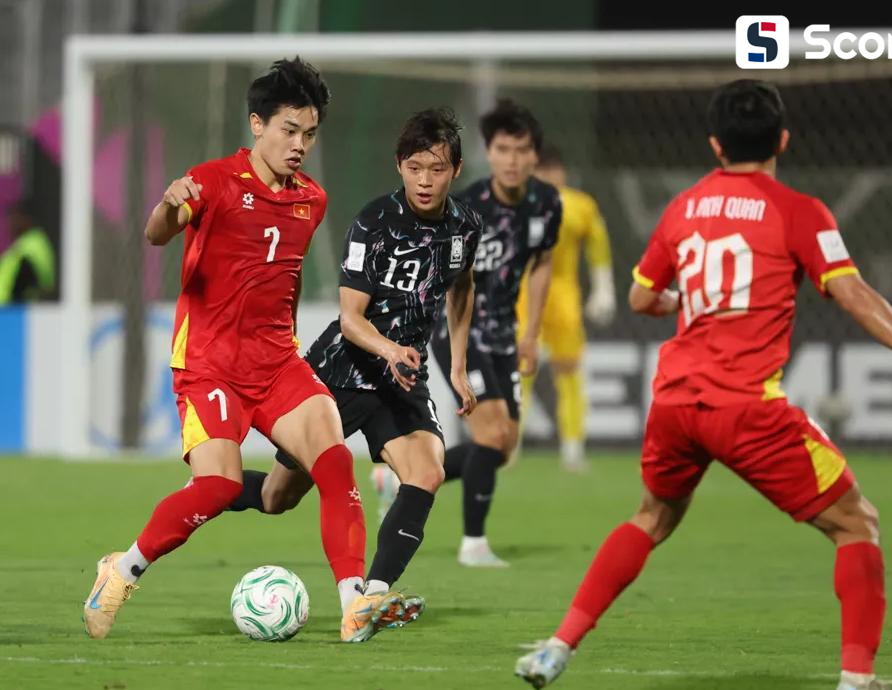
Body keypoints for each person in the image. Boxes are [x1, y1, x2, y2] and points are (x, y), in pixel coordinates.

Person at [515, 79, 892, 690]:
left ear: (715, 144)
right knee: (856, 522)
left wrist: (692, 301)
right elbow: (853, 295)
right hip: (745, 407)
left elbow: (641, 296)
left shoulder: (682, 208)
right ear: (782, 139)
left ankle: (557, 646)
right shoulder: (799, 212)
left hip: (676, 401)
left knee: (651, 516)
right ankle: (858, 679)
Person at [83, 57, 377, 643]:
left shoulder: (310, 201)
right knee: (217, 486)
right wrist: (169, 204)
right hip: (210, 364)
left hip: (276, 363)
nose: (300, 145)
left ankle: (353, 603)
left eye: (310, 134)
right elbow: (157, 233)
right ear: (257, 125)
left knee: (336, 457)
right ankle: (121, 569)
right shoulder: (213, 180)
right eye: (289, 130)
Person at [224, 108, 482, 638]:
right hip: (341, 373)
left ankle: (371, 598)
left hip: (401, 376)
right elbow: (350, 319)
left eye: (436, 168)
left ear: (455, 169)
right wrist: (391, 348)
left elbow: (462, 286)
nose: (425, 180)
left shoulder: (465, 227)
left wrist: (457, 365)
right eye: (414, 168)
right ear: (399, 167)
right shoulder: (375, 221)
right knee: (278, 497)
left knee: (427, 471)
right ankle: (210, 485)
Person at [426, 99, 560, 568]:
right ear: (489, 152)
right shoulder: (468, 210)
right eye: (503, 149)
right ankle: (474, 544)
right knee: (490, 435)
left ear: (534, 155)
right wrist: (458, 356)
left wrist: (532, 335)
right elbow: (448, 282)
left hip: (506, 335)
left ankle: (413, 472)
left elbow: (542, 265)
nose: (512, 159)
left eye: (522, 150)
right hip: (458, 332)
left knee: (502, 447)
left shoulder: (547, 203)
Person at [516, 145, 615, 472]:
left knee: (569, 370)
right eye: (542, 170)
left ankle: (572, 447)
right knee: (520, 372)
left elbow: (598, 247)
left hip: (564, 296)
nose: (548, 176)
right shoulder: (516, 203)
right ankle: (509, 446)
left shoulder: (580, 205)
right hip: (524, 295)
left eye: (552, 169)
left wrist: (603, 289)